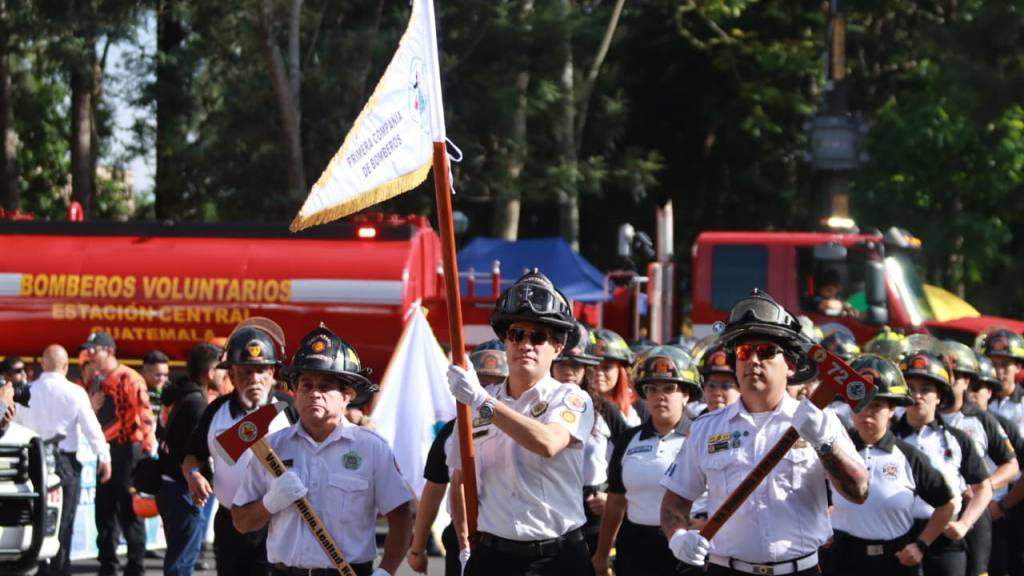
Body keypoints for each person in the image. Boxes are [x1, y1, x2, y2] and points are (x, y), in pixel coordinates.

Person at [660, 289, 868, 575]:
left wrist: (825, 444)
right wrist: (678, 537)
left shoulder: (823, 422)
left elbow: (858, 491)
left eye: (767, 351)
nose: (754, 360)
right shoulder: (705, 428)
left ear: (791, 365)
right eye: (744, 352)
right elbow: (675, 502)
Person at [446, 270, 596, 576]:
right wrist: (465, 541)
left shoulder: (571, 398)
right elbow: (459, 478)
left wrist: (483, 402)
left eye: (538, 336)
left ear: (557, 347)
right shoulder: (474, 401)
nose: (525, 344)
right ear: (505, 342)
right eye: (516, 334)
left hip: (557, 558)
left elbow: (548, 443)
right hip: (492, 556)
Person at [232, 324, 410, 576]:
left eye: (325, 387)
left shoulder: (372, 448)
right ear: (294, 393)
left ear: (346, 396)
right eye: (306, 385)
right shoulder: (271, 448)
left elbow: (401, 516)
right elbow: (240, 521)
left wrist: (386, 571)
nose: (314, 393)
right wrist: (268, 504)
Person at [182, 324, 296, 576]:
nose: (254, 379)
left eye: (261, 371)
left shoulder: (288, 410)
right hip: (231, 525)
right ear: (231, 375)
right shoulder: (215, 412)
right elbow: (193, 456)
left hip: (278, 523)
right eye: (246, 372)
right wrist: (193, 475)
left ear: (273, 374)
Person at [830, 354, 956, 576]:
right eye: (861, 404)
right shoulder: (834, 452)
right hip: (841, 558)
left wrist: (921, 545)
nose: (867, 412)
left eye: (876, 405)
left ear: (892, 410)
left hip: (894, 562)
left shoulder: (909, 456)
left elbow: (947, 504)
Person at [592, 346, 701, 576]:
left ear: (686, 394)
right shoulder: (629, 439)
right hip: (635, 549)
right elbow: (615, 502)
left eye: (669, 388)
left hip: (686, 548)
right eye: (652, 389)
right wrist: (602, 554)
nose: (659, 396)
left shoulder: (701, 437)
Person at [408, 346, 508, 576]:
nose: (487, 390)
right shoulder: (452, 432)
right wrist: (418, 548)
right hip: (464, 537)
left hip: (506, 537)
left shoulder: (518, 430)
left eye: (497, 384)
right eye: (481, 383)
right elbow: (435, 488)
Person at [14, 344, 112, 576]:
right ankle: (59, 568)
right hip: (64, 464)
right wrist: (104, 457)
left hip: (32, 462)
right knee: (63, 522)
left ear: (42, 365)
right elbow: (92, 428)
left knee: (32, 518)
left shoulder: (26, 391)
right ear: (66, 366)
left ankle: (32, 567)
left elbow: (14, 426)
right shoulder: (75, 392)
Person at [892, 350, 992, 576]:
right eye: (911, 389)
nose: (917, 396)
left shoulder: (957, 439)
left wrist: (965, 524)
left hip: (945, 539)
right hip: (899, 535)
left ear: (939, 396)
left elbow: (983, 487)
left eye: (925, 390)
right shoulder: (887, 439)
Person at [80, 330, 156, 576]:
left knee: (130, 510)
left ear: (108, 351)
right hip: (106, 450)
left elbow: (145, 413)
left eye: (94, 350)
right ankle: (108, 564)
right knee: (104, 509)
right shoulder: (96, 380)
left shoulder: (129, 378)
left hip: (128, 449)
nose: (90, 355)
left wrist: (146, 450)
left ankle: (136, 566)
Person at [939, 340, 1018, 576]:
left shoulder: (982, 420)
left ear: (966, 381)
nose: (949, 380)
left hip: (974, 511)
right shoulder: (924, 418)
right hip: (930, 513)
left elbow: (1011, 464)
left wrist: (984, 488)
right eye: (944, 374)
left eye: (956, 375)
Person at [155, 343, 220, 576]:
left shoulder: (177, 395)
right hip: (184, 489)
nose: (226, 374)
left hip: (170, 486)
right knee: (182, 563)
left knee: (179, 557)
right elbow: (193, 451)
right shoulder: (197, 405)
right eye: (222, 368)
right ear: (211, 372)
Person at [969, 352, 1024, 576]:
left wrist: (1000, 504)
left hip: (1002, 506)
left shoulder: (997, 424)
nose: (971, 393)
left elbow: (1016, 466)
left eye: (1005, 364)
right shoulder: (945, 423)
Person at [589, 328, 647, 426]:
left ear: (620, 371)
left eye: (606, 368)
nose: (598, 372)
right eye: (592, 367)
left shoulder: (639, 407)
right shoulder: (574, 404)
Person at [141, 349, 171, 416]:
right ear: (144, 373)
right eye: (158, 375)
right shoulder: (135, 392)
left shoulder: (172, 394)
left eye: (165, 375)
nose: (162, 379)